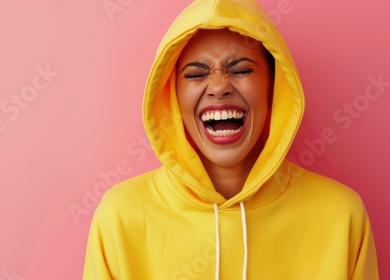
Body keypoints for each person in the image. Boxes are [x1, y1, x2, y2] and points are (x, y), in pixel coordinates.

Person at [83, 0, 379, 279]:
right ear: (171, 95)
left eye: (241, 70)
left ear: (274, 87)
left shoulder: (341, 216)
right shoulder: (121, 216)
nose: (219, 86)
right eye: (195, 74)